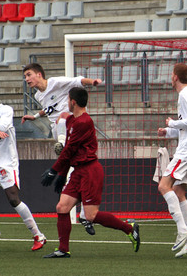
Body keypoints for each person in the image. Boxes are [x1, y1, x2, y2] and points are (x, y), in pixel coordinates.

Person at [41, 87, 140, 258]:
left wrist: (54, 170)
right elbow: (69, 151)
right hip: (78, 171)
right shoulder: (72, 120)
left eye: (68, 100)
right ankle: (63, 250)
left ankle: (130, 229)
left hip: (90, 171)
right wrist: (63, 175)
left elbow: (69, 149)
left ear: (73, 101)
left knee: (91, 215)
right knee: (62, 207)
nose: (67, 103)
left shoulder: (84, 122)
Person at [22, 63, 101, 235]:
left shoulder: (56, 82)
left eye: (29, 75)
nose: (26, 79)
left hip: (71, 127)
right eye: (25, 76)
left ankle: (83, 213)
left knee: (64, 119)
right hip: (57, 131)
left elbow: (77, 80)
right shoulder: (38, 94)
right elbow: (50, 108)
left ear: (39, 74)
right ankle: (83, 214)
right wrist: (35, 116)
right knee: (74, 169)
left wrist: (92, 81)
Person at [0, 83, 47, 251]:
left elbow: (2, 127)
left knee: (13, 199)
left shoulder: (6, 110)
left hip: (6, 162)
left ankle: (38, 235)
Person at [157, 63, 187, 258]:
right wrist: (168, 130)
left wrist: (173, 122)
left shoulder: (186, 94)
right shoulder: (186, 94)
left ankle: (183, 231)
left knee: (163, 186)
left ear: (175, 76)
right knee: (178, 191)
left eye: (171, 74)